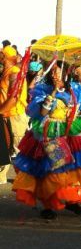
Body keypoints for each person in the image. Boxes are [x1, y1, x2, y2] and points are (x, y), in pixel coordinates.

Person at [11, 62, 81, 219]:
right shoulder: (42, 89)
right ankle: (48, 205)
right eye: (52, 72)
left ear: (66, 72)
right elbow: (41, 112)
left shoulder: (76, 89)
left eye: (58, 72)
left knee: (72, 169)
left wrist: (78, 113)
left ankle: (72, 201)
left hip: (69, 134)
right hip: (50, 134)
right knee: (52, 170)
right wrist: (53, 94)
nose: (54, 75)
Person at [0, 46, 28, 185]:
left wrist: (0, 111)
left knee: (19, 149)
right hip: (6, 115)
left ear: (4, 57)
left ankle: (28, 179)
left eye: (0, 54)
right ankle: (2, 178)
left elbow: (14, 98)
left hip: (15, 115)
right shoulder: (5, 72)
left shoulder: (14, 73)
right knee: (4, 147)